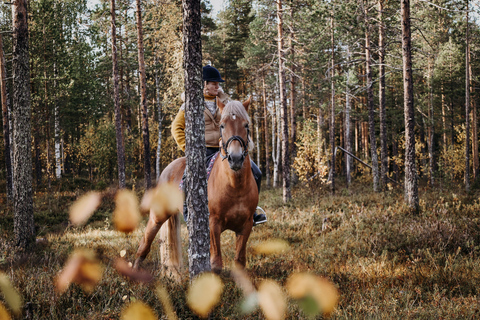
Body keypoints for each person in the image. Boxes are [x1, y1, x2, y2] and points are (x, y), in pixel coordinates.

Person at [172, 65, 267, 226]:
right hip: (203, 150)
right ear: (204, 84)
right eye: (213, 83)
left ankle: (253, 212)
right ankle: (188, 211)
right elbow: (176, 127)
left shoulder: (226, 103)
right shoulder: (190, 104)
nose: (217, 86)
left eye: (218, 83)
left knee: (256, 172)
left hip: (226, 148)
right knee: (188, 177)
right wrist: (188, 148)